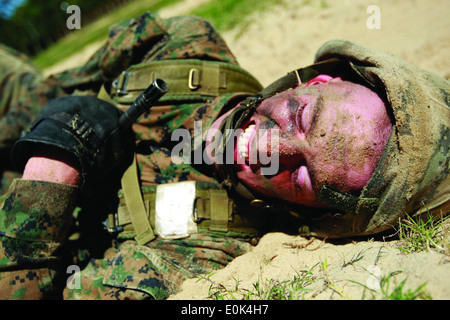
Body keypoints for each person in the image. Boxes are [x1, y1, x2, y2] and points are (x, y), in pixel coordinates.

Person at [0, 11, 448, 300]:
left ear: (322, 212)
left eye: (307, 177)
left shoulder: (195, 254)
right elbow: (63, 82)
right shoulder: (185, 45)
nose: (269, 149)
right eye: (301, 118)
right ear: (316, 82)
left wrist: (49, 174)